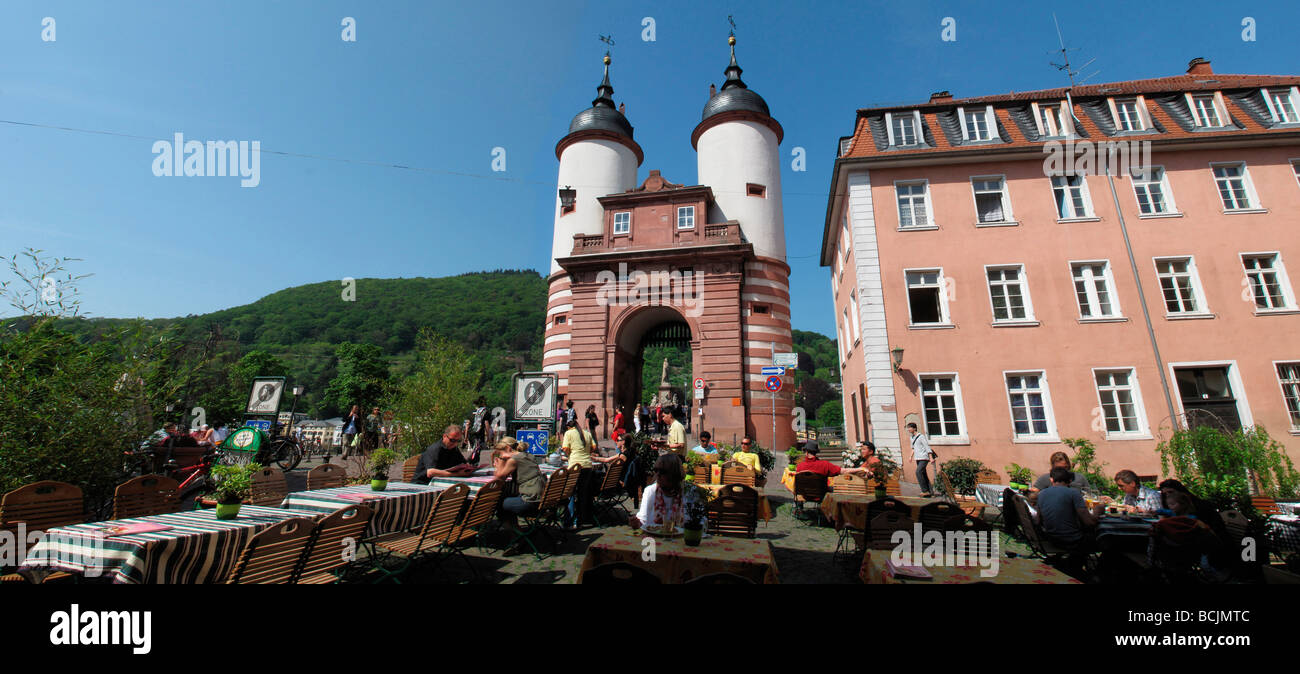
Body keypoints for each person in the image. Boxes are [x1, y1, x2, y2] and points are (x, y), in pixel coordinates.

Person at [492, 437, 546, 553]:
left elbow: (499, 477)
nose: (501, 456)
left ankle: (518, 534)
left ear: (507, 448)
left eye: (501, 453)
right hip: (541, 498)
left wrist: (500, 461)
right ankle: (516, 534)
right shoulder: (528, 455)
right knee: (506, 501)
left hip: (530, 500)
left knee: (498, 504)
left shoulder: (514, 460)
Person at [1034, 467, 1103, 551]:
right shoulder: (1074, 494)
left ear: (1051, 480)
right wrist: (1098, 511)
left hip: (1050, 539)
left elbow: (1037, 520)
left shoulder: (1041, 494)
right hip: (1072, 541)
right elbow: (1089, 522)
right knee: (1103, 539)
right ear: (1070, 481)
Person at [629, 454, 687, 530]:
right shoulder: (650, 491)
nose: (658, 474)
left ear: (674, 473)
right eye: (656, 470)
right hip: (654, 538)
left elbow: (698, 523)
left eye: (662, 471)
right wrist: (636, 523)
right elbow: (643, 521)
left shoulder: (689, 493)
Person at [561, 418, 598, 528]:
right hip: (587, 465)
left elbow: (565, 449)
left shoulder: (569, 433)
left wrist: (569, 455)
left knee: (571, 493)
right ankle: (583, 518)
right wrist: (586, 453)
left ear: (568, 427)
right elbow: (594, 447)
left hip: (575, 466)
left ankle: (571, 520)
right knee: (583, 493)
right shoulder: (586, 433)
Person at [1158, 479, 1226, 539]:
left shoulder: (1200, 506)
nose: (1168, 495)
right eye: (1165, 494)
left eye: (1170, 492)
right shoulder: (1172, 508)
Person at [411, 425, 476, 484]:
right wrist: (457, 474)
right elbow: (430, 472)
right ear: (444, 436)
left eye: (458, 441)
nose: (455, 444)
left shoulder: (453, 448)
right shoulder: (435, 449)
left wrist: (470, 466)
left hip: (441, 483)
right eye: (452, 440)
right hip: (423, 484)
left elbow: (463, 463)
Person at [907, 422, 936, 497]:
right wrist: (910, 456)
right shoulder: (912, 438)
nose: (908, 429)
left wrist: (931, 458)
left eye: (910, 428)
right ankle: (930, 492)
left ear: (914, 428)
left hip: (924, 457)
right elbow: (913, 448)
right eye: (908, 428)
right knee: (923, 474)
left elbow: (927, 447)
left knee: (918, 472)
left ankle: (924, 491)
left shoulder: (921, 436)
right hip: (918, 458)